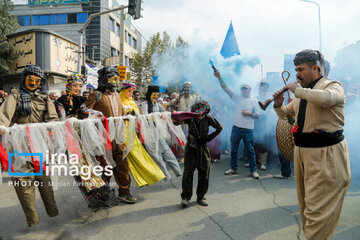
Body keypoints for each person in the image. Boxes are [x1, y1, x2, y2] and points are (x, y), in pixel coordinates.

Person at [273, 49, 351, 240]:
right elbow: (286, 116)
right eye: (296, 70)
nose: (297, 74)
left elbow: (328, 99)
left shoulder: (333, 86)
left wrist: (298, 91)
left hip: (326, 156)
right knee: (306, 207)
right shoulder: (302, 93)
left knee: (317, 213)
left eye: (300, 69)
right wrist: (277, 104)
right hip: (303, 154)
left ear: (315, 68)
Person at [0, 65, 59, 227]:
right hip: (17, 144)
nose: (33, 82)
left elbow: (52, 119)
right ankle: (32, 219)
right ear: (24, 79)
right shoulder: (14, 96)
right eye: (30, 79)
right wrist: (1, 126)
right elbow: (3, 115)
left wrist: (51, 129)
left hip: (39, 144)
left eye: (37, 80)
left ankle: (52, 210)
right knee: (22, 182)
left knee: (44, 180)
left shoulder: (45, 99)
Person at [55, 73, 110, 211]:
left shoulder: (81, 99)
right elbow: (62, 117)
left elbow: (86, 111)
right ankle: (89, 195)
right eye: (75, 85)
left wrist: (97, 114)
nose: (78, 88)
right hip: (68, 137)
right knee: (77, 166)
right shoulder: (60, 100)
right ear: (69, 86)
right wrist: (70, 120)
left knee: (90, 162)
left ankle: (97, 189)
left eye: (80, 86)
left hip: (81, 135)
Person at [85, 66, 137, 204]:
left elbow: (119, 114)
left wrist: (128, 115)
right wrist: (96, 116)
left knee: (122, 166)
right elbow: (84, 111)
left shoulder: (117, 96)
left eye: (117, 79)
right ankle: (103, 194)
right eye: (113, 78)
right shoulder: (95, 95)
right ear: (105, 79)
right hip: (102, 138)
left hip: (118, 138)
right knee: (104, 167)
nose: (116, 81)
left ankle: (124, 192)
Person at [214, 71, 260, 179]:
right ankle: (234, 169)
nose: (244, 90)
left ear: (250, 90)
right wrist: (219, 77)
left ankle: (253, 170)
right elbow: (225, 88)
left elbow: (257, 115)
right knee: (233, 150)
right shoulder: (237, 98)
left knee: (250, 150)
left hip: (248, 129)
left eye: (246, 88)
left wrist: (249, 114)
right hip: (236, 127)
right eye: (242, 89)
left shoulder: (254, 101)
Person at [119, 80, 166, 187]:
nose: (130, 94)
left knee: (139, 154)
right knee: (123, 161)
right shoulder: (118, 100)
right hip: (119, 132)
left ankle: (152, 175)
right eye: (128, 91)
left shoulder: (132, 103)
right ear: (123, 91)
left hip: (131, 132)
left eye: (131, 91)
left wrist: (131, 113)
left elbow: (139, 116)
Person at [176, 101, 222, 207]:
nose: (200, 115)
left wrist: (209, 138)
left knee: (204, 173)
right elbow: (177, 122)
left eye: (202, 112)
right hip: (191, 149)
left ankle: (201, 197)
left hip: (203, 148)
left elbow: (219, 128)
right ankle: (186, 198)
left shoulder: (209, 118)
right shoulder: (190, 118)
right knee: (188, 173)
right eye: (198, 112)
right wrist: (174, 119)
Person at [140, 85, 182, 180]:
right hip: (148, 133)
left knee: (166, 151)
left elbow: (165, 114)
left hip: (158, 132)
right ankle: (166, 174)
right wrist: (157, 116)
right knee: (155, 154)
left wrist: (174, 116)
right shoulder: (145, 104)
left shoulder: (158, 104)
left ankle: (177, 171)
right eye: (154, 94)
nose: (155, 96)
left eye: (157, 94)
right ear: (149, 94)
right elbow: (145, 117)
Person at [254, 82, 272, 170]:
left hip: (265, 123)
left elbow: (270, 111)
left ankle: (263, 162)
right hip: (255, 122)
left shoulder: (269, 99)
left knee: (263, 143)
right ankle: (253, 161)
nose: (262, 89)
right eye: (261, 88)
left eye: (264, 88)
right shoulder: (255, 98)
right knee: (254, 142)